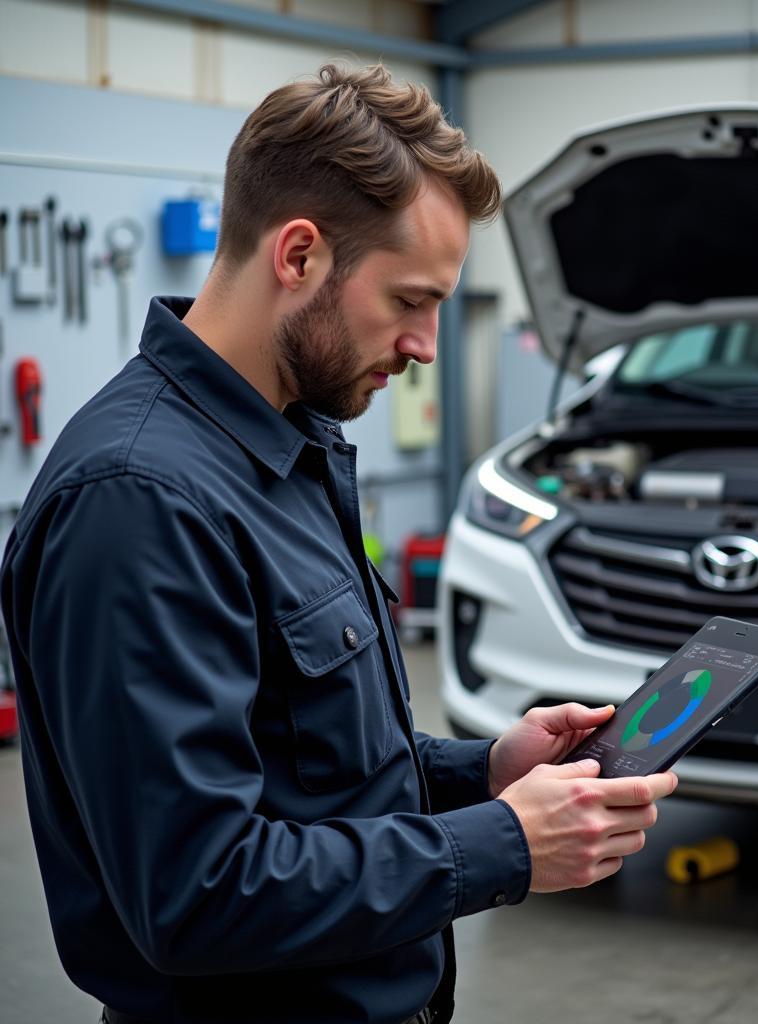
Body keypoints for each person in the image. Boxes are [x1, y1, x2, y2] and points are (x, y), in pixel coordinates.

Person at [0, 63, 678, 1024]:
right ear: (299, 256)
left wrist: (482, 774)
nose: (427, 346)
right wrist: (500, 843)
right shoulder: (140, 502)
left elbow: (304, 763)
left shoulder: (287, 447)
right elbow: (194, 893)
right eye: (409, 300)